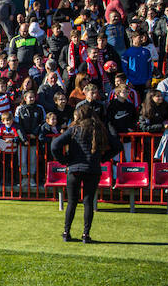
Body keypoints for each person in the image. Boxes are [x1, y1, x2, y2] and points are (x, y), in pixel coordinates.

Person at [51, 102, 121, 243]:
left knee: (72, 202)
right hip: (92, 169)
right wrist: (102, 158)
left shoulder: (75, 129)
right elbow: (117, 146)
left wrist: (64, 161)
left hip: (75, 168)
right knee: (88, 202)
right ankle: (86, 234)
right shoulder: (99, 129)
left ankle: (66, 232)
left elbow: (55, 145)